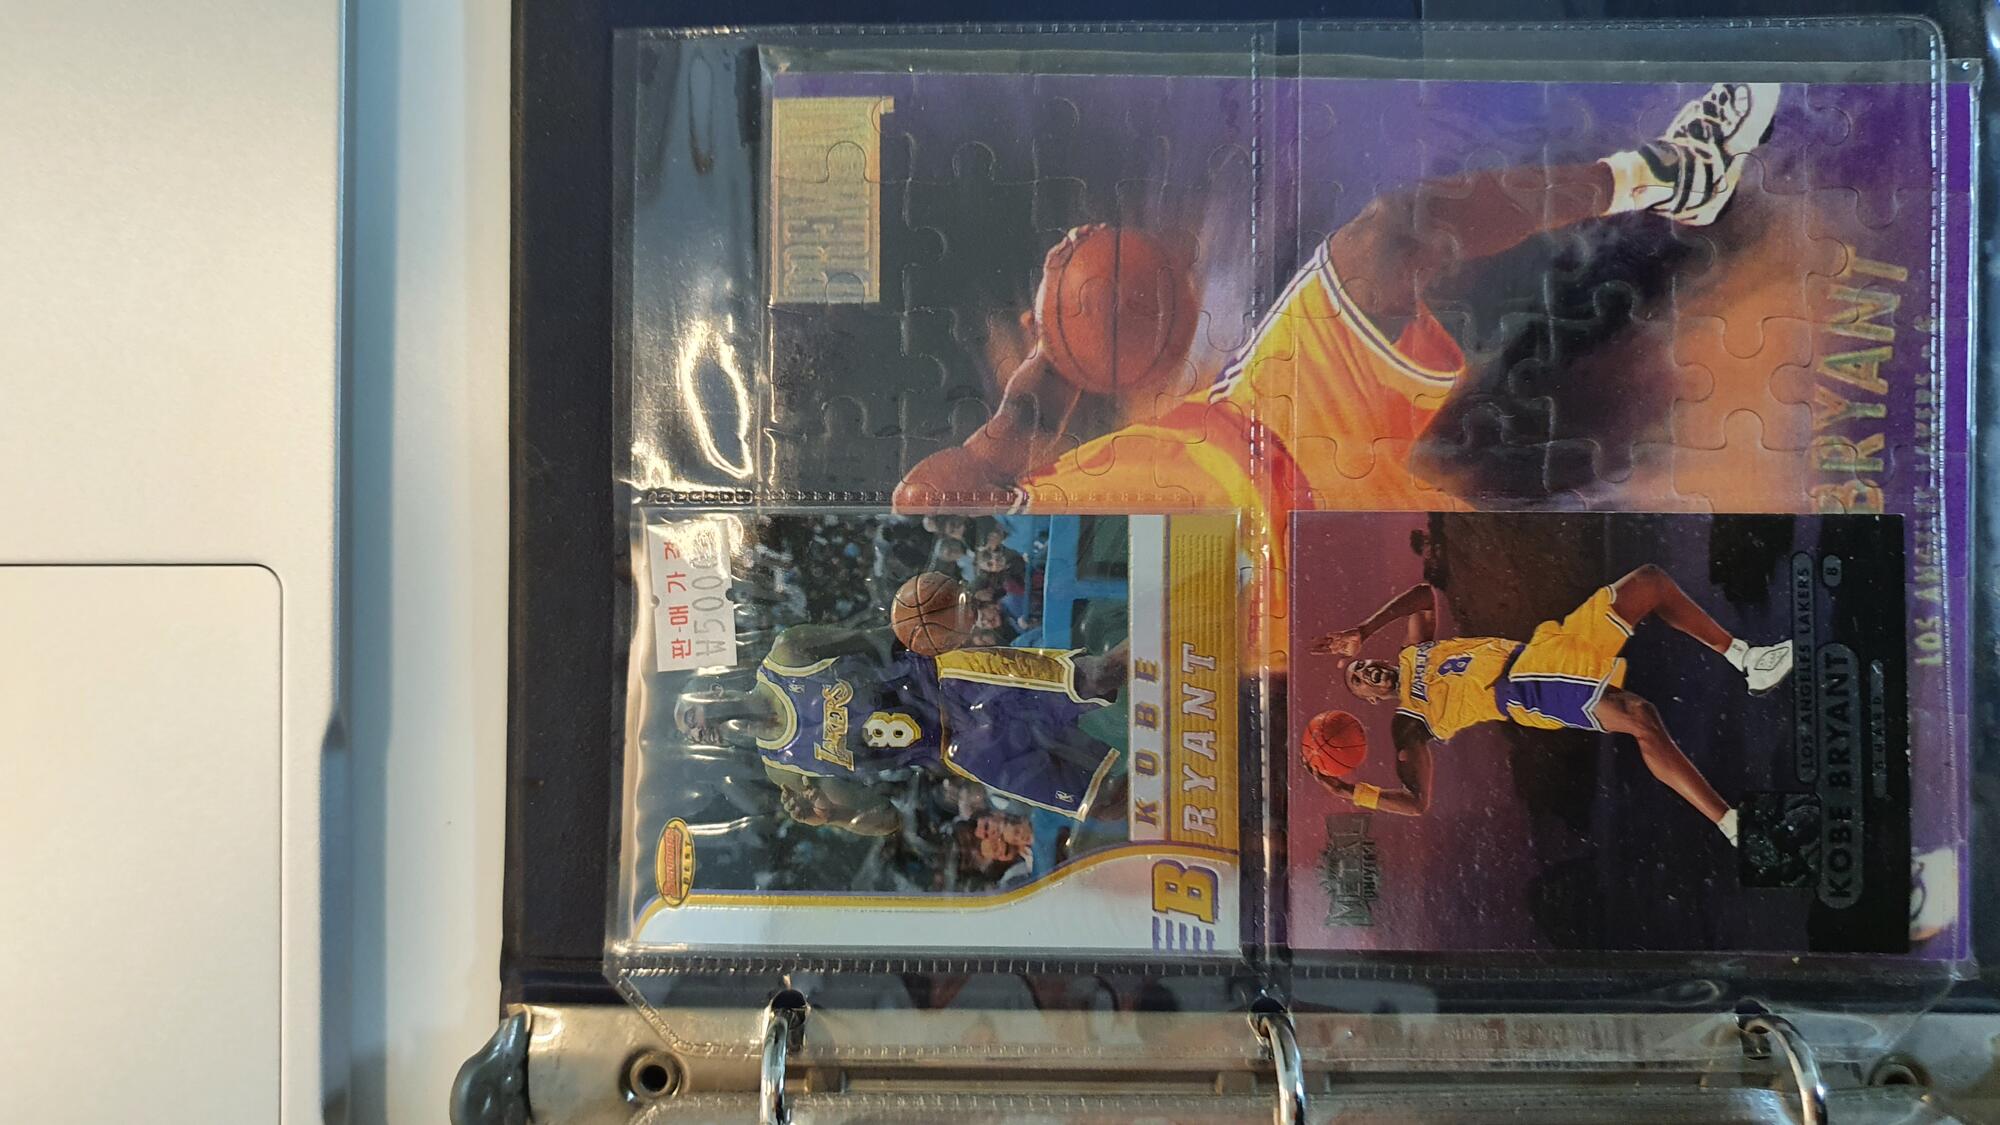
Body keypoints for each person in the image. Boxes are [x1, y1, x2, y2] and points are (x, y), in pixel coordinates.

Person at [893, 83, 1784, 666]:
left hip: (1272, 416)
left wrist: (1068, 326)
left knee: (1390, 238)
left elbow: (990, 435)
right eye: (940, 615)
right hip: (1307, 582)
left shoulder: (995, 497)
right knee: (1559, 490)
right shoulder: (1034, 663)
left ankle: (1670, 175)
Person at [1307, 564, 1793, 845]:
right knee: (1640, 717)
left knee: (1649, 583)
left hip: (1546, 646)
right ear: (1371, 698)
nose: (1366, 672)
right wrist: (1351, 793)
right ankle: (1734, 825)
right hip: (1522, 687)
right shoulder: (1408, 722)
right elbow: (1416, 803)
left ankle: (1749, 660)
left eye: (1362, 665)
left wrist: (1364, 630)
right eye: (1359, 682)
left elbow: (1422, 595)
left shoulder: (1413, 650)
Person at [674, 620, 1130, 835]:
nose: (699, 733)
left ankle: (1172, 615)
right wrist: (833, 817)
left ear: (712, 691)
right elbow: (884, 817)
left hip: (955, 683)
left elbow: (881, 637)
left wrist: (939, 619)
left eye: (691, 717)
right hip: (959, 751)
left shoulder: (789, 653)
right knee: (1105, 804)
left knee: (1098, 676)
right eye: (691, 736)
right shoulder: (783, 768)